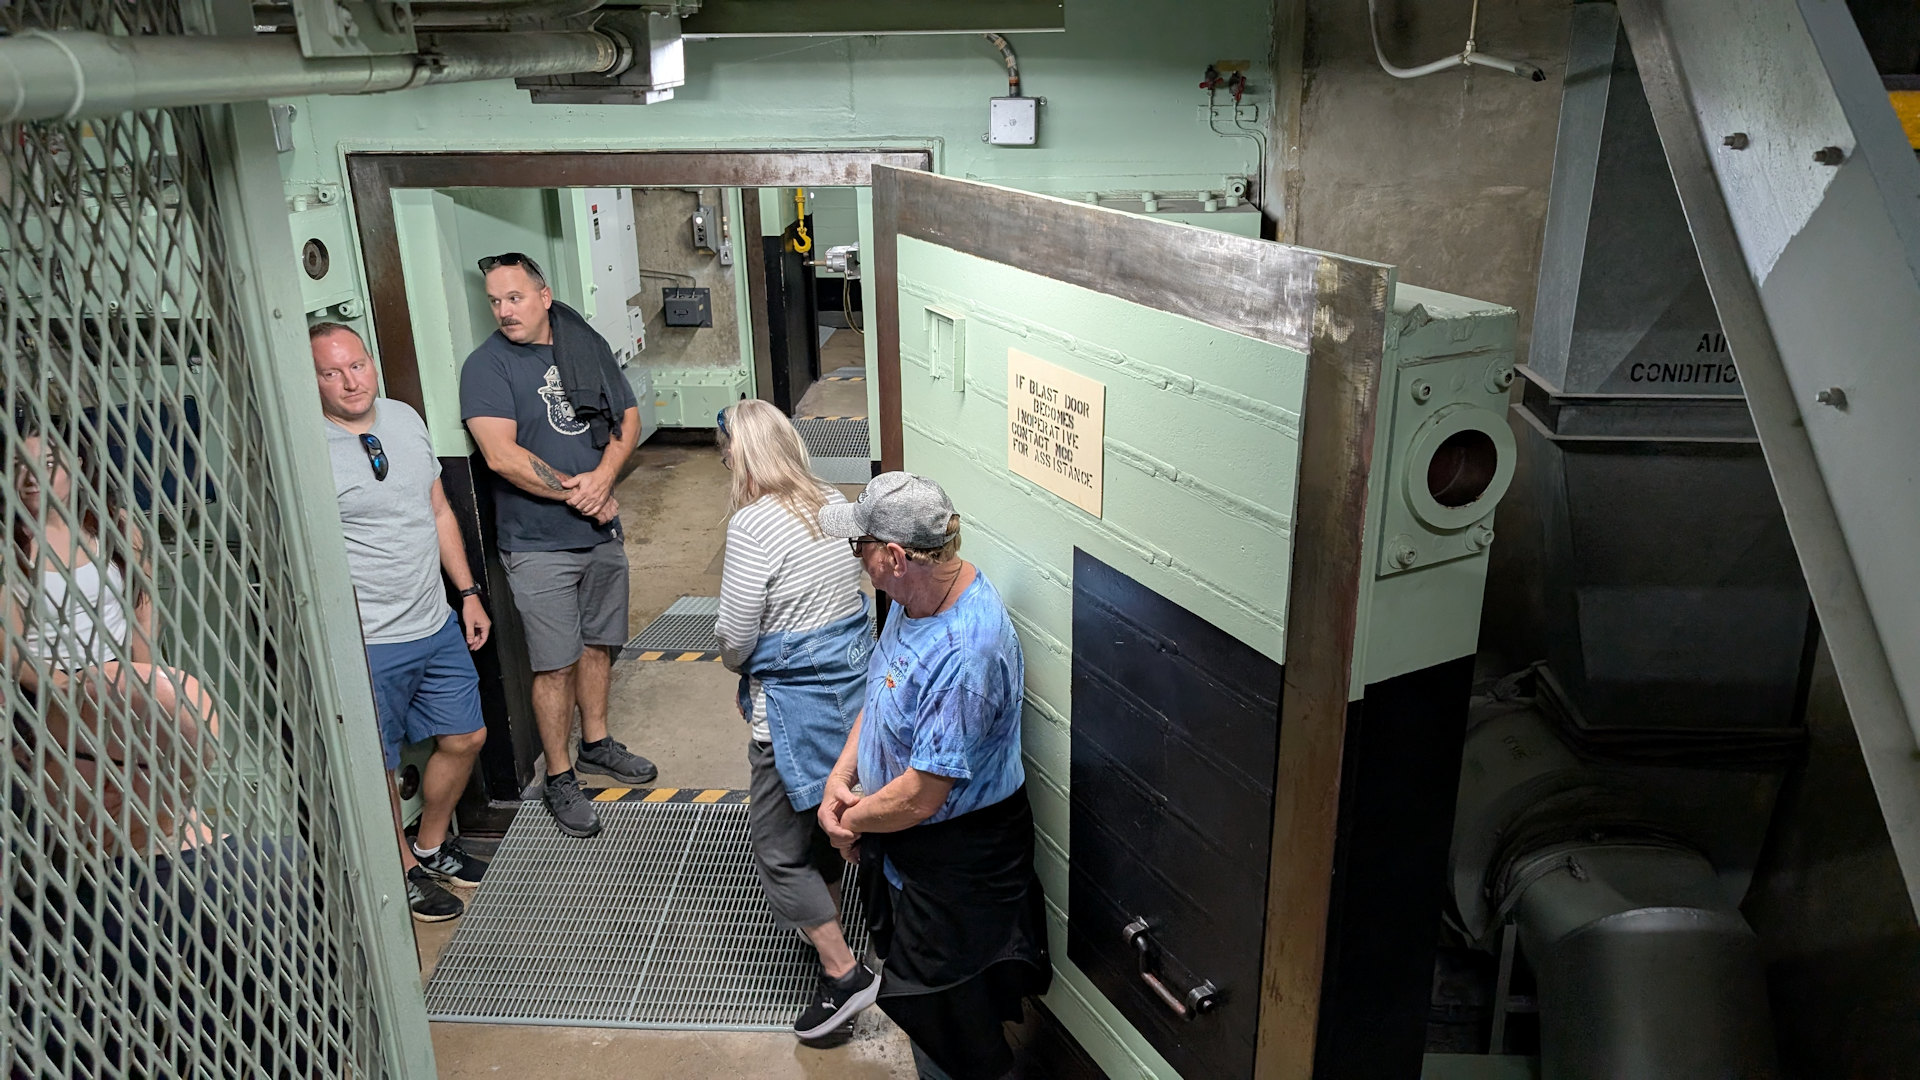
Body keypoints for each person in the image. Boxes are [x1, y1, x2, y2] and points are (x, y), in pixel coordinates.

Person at [815, 473, 1051, 1080]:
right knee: (932, 1020)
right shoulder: (913, 599)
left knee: (956, 1038)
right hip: (907, 850)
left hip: (959, 865)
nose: (857, 560)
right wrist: (841, 776)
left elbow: (923, 794)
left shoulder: (968, 651)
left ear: (894, 556)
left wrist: (848, 822)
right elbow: (881, 691)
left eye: (858, 547)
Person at [459, 251, 656, 838]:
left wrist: (604, 480)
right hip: (538, 541)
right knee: (554, 662)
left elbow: (627, 419)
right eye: (494, 301)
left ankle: (594, 743)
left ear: (544, 296)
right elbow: (501, 456)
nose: (503, 311)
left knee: (599, 645)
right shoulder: (486, 366)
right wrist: (584, 493)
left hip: (599, 529)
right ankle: (560, 775)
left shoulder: (583, 344)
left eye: (514, 298)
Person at [313, 322, 493, 922]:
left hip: (433, 619)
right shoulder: (307, 450)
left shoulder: (404, 418)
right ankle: (404, 871)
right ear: (311, 381)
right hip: (368, 639)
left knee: (466, 736)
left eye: (357, 365)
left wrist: (466, 592)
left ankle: (432, 845)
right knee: (381, 769)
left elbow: (438, 508)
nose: (349, 382)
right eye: (331, 373)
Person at [712, 400, 879, 1039]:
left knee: (779, 852)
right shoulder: (832, 501)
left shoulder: (752, 525)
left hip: (791, 709)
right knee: (826, 825)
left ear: (739, 457)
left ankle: (843, 973)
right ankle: (838, 931)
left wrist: (741, 665)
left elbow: (733, 633)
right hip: (852, 699)